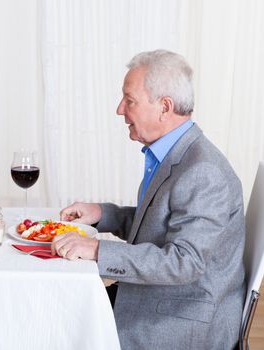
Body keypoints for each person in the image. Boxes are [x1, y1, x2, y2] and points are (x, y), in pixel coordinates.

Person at [52, 50, 245, 349]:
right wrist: (103, 214)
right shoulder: (175, 153)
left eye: (129, 101)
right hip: (166, 300)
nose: (119, 109)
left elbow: (184, 262)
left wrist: (96, 250)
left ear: (164, 107)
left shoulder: (203, 172)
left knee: (62, 322)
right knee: (64, 307)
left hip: (182, 321)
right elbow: (159, 225)